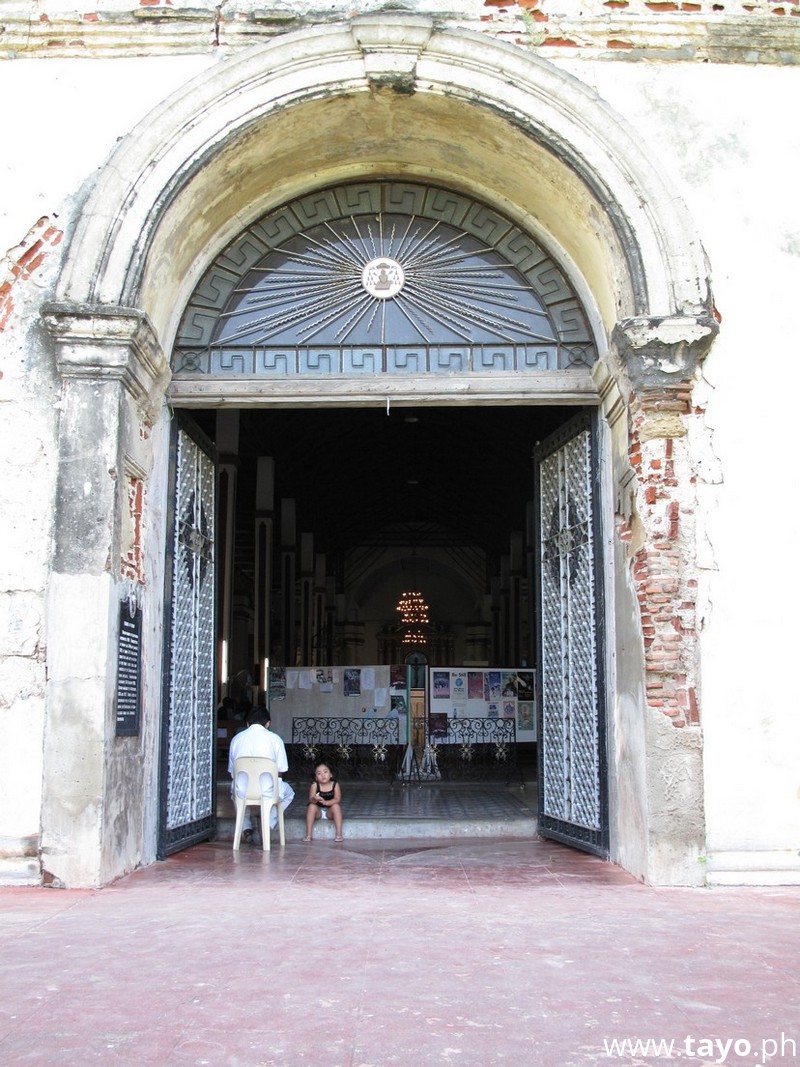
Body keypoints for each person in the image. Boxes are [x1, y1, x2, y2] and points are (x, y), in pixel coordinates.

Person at [228, 706, 295, 844]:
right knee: (289, 793)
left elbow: (232, 771)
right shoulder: (275, 739)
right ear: (268, 723)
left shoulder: (237, 739)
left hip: (243, 791)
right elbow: (282, 769)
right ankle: (267, 823)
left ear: (247, 723)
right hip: (268, 791)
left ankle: (246, 829)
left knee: (236, 793)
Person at [303, 761, 343, 842]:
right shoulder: (314, 785)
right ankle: (308, 835)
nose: (323, 775)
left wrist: (325, 802)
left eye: (325, 772)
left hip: (329, 811)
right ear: (316, 777)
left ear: (331, 774)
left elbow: (337, 799)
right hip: (318, 812)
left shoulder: (335, 784)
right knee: (311, 806)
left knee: (336, 806)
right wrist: (315, 799)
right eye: (319, 773)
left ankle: (339, 834)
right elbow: (311, 799)